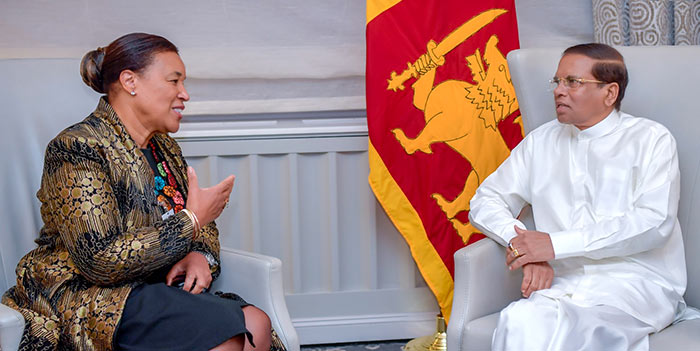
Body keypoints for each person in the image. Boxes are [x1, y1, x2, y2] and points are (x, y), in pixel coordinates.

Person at [1, 33, 285, 351]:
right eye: (173, 81)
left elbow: (198, 219)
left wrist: (199, 256)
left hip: (152, 286)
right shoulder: (78, 148)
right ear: (130, 82)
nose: (185, 94)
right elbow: (99, 259)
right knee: (224, 336)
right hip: (89, 294)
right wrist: (191, 222)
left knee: (257, 322)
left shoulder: (165, 148)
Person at [469, 43, 690, 350]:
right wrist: (523, 248)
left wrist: (553, 245)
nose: (559, 91)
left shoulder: (651, 139)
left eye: (572, 82)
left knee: (588, 333)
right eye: (557, 82)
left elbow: (653, 223)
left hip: (635, 283)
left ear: (609, 93)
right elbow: (485, 200)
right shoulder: (541, 142)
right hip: (563, 284)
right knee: (518, 322)